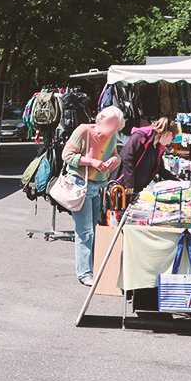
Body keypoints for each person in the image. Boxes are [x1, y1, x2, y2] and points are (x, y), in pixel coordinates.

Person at [61, 105, 124, 286]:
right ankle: (85, 273)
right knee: (85, 230)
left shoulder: (112, 136)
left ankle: (95, 268)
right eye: (110, 124)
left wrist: (114, 160)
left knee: (95, 228)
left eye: (116, 126)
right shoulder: (83, 131)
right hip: (81, 184)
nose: (112, 129)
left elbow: (115, 156)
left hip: (100, 185)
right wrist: (91, 162)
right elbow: (67, 155)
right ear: (100, 119)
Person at [120, 116, 181, 193]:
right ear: (169, 134)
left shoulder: (158, 147)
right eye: (172, 139)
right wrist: (129, 184)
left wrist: (178, 182)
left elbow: (160, 169)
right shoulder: (140, 136)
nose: (170, 143)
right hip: (123, 186)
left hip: (138, 188)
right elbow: (127, 158)